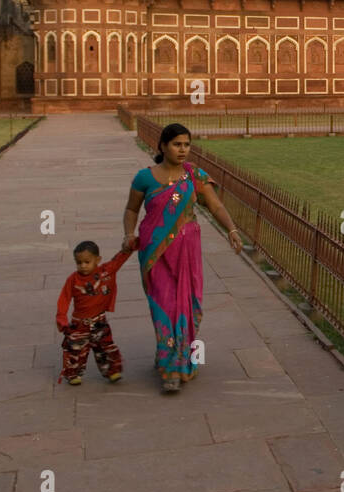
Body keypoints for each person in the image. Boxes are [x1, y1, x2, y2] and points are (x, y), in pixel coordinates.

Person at [124, 123, 243, 393]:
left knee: (187, 307)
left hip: (187, 252)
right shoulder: (145, 178)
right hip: (155, 253)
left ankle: (175, 359)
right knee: (164, 307)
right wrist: (127, 233)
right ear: (163, 146)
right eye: (177, 144)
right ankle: (170, 370)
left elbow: (215, 205)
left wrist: (232, 229)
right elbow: (131, 209)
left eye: (186, 144)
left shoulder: (193, 176)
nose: (183, 150)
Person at [56, 240, 132, 385]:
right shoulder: (73, 279)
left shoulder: (105, 272)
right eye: (79, 262)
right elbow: (64, 299)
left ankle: (112, 371)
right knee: (75, 350)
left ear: (97, 260)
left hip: (100, 321)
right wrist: (61, 318)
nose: (83, 266)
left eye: (87, 262)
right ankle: (73, 374)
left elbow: (119, 260)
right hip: (79, 324)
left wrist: (129, 247)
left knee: (105, 347)